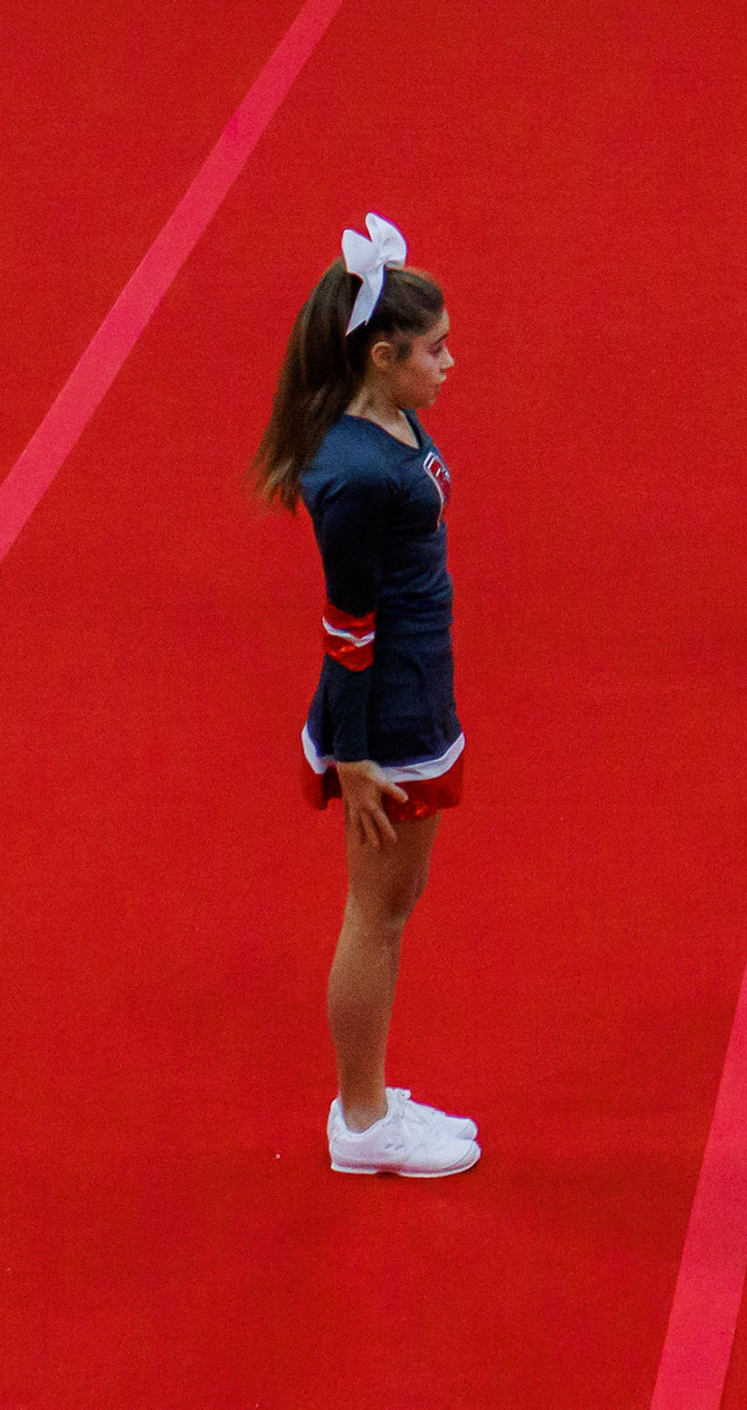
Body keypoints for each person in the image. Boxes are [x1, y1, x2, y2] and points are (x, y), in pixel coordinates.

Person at [256, 215, 479, 1177]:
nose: (450, 364)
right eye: (434, 351)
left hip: (416, 687)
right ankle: (362, 1120)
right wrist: (353, 759)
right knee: (376, 915)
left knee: (398, 902)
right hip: (386, 717)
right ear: (382, 358)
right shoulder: (352, 476)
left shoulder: (387, 417)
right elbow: (347, 630)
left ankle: (372, 1098)